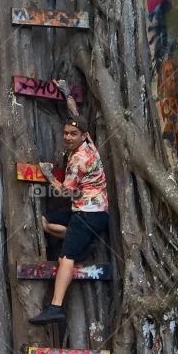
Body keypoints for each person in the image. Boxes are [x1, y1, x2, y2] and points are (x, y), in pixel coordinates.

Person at [31, 80, 109, 324]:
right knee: (47, 223)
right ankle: (81, 242)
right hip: (83, 211)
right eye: (66, 133)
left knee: (66, 257)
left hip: (89, 212)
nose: (68, 137)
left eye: (73, 134)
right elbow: (75, 114)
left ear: (83, 136)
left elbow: (65, 193)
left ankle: (55, 306)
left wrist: (47, 175)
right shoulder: (88, 143)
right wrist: (66, 93)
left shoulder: (78, 161)